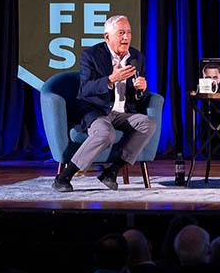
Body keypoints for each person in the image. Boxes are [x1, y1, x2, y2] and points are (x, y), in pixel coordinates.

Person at [53, 15, 156, 192]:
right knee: (106, 134)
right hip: (97, 111)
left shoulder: (137, 57)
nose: (126, 38)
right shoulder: (91, 55)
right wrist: (110, 80)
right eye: (121, 33)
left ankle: (111, 172)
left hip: (123, 113)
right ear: (107, 37)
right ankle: (64, 177)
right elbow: (85, 89)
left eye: (129, 33)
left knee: (147, 124)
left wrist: (142, 89)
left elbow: (141, 96)